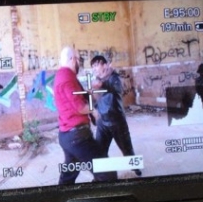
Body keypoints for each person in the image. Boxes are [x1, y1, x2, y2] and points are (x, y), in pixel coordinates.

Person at [53, 46, 103, 185]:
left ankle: (59, 196)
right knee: (105, 171)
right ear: (72, 59)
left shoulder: (65, 75)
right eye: (78, 59)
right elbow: (80, 107)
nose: (79, 63)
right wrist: (93, 110)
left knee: (68, 177)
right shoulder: (67, 77)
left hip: (68, 134)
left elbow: (76, 98)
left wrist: (90, 91)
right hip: (77, 137)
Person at [88, 54, 141, 180]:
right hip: (102, 123)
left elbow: (116, 88)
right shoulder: (96, 81)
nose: (94, 68)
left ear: (105, 65)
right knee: (100, 151)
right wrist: (93, 113)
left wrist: (102, 85)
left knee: (127, 149)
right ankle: (99, 176)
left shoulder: (114, 77)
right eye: (93, 66)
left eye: (97, 65)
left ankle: (136, 169)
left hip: (117, 121)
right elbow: (96, 100)